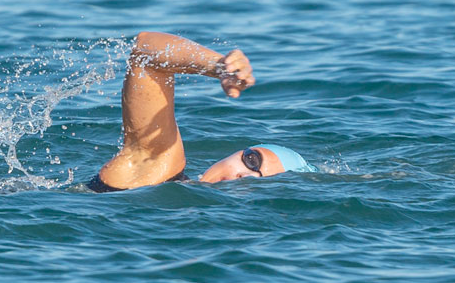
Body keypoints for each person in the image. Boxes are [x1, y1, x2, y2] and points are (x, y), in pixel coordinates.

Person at [87, 31, 313, 192]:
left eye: (260, 184)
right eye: (252, 161)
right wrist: (219, 67)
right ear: (234, 154)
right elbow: (145, 52)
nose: (245, 176)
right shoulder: (157, 169)